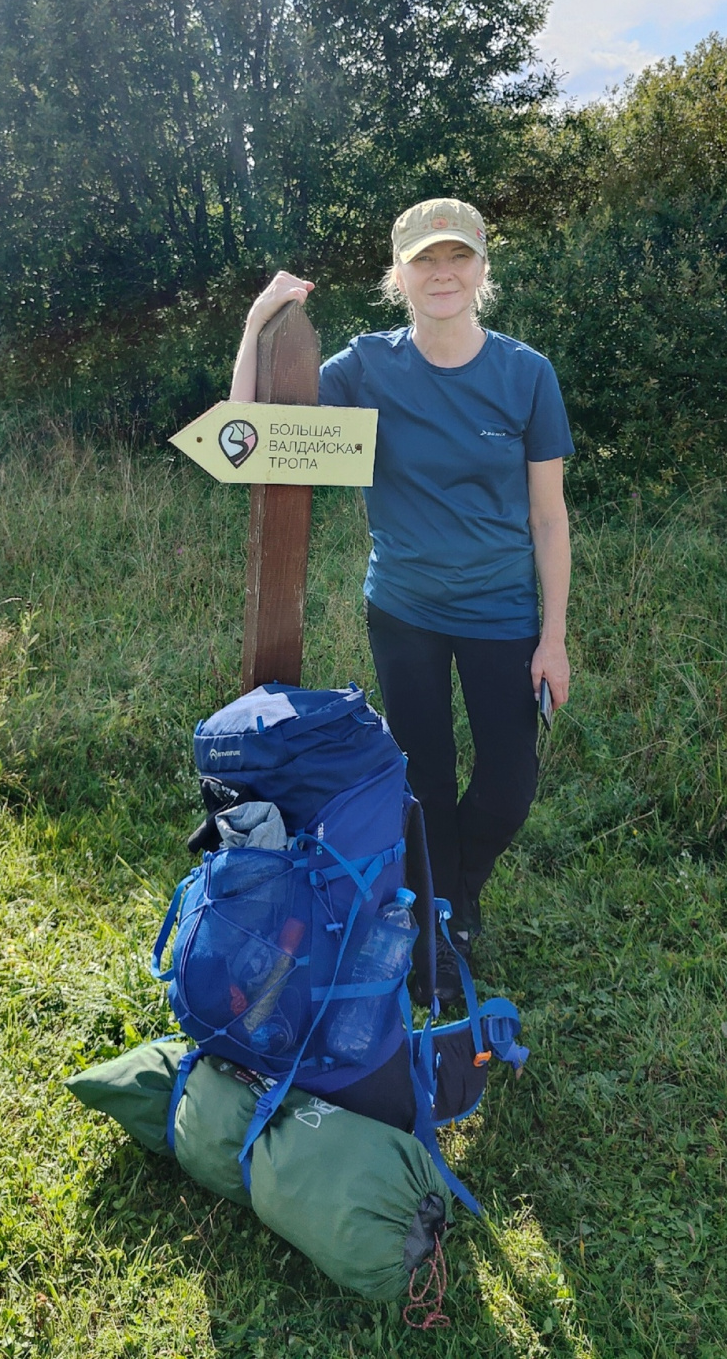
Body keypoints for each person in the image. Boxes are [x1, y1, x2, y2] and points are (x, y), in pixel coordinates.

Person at [230, 197, 573, 1003]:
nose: (442, 273)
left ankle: (458, 886)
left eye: (458, 258)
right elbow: (249, 432)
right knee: (422, 772)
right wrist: (256, 324)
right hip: (404, 610)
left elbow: (549, 518)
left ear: (483, 269)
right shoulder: (365, 367)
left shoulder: (525, 374)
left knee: (507, 782)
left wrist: (551, 636)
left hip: (501, 612)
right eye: (424, 260)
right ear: (399, 275)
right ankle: (441, 922)